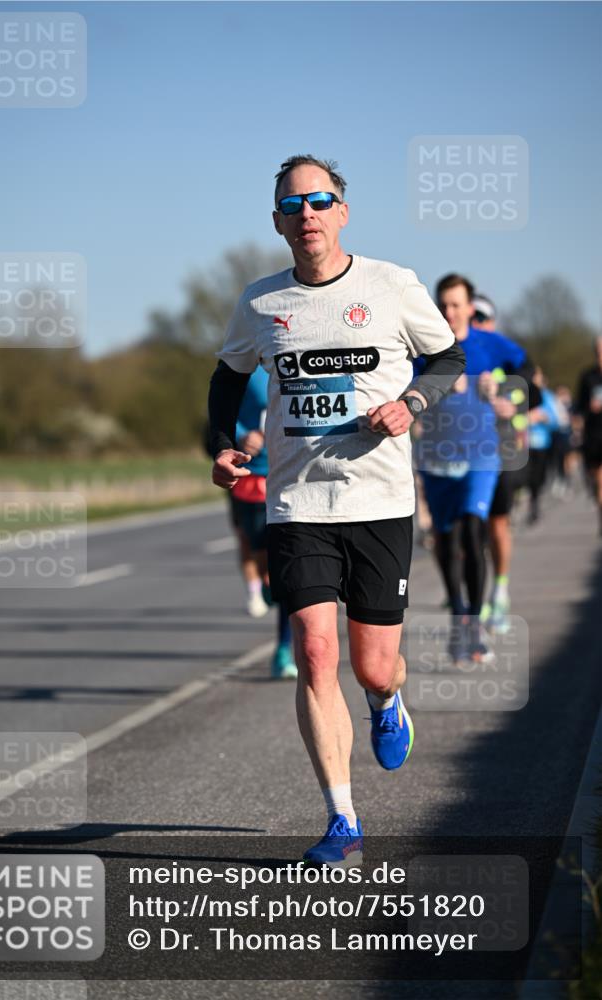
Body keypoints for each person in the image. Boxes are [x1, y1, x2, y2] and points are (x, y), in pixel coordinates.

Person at [208, 155, 465, 866]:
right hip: (296, 504)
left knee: (373, 665)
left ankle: (386, 703)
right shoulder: (260, 303)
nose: (307, 214)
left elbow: (446, 362)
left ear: (342, 211)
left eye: (320, 201)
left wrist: (409, 403)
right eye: (293, 205)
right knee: (315, 654)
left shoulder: (391, 286)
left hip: (378, 501)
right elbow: (226, 377)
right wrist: (223, 444)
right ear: (277, 221)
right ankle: (342, 818)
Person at [414, 275, 528, 662]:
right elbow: (402, 384)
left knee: (472, 529)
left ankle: (475, 626)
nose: (449, 312)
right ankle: (459, 613)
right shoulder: (424, 346)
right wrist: (433, 388)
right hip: (436, 457)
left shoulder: (488, 344)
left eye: (456, 304)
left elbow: (528, 373)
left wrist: (510, 395)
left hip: (482, 454)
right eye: (443, 304)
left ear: (469, 307)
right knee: (446, 539)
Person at [470, 294, 539, 632]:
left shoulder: (503, 354)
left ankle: (499, 590)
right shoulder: (460, 350)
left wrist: (513, 401)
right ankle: (474, 598)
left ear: (492, 322)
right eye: (473, 318)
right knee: (468, 529)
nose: (476, 324)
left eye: (482, 318)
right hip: (463, 450)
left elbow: (533, 388)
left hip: (501, 450)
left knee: (496, 525)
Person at [231, 365, 298, 678]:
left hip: (292, 473)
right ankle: (269, 590)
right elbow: (217, 417)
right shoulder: (243, 365)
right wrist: (241, 437)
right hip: (253, 477)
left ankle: (284, 650)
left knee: (285, 568)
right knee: (263, 562)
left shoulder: (301, 356)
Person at [575, 337, 602, 534]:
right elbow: (578, 407)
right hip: (593, 436)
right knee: (596, 483)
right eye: (598, 351)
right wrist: (588, 409)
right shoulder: (587, 377)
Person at [527, 368, 560, 524]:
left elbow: (556, 421)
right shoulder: (519, 393)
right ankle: (528, 503)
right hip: (522, 444)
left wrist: (543, 417)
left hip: (541, 443)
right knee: (525, 477)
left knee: (538, 477)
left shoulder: (547, 396)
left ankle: (535, 503)